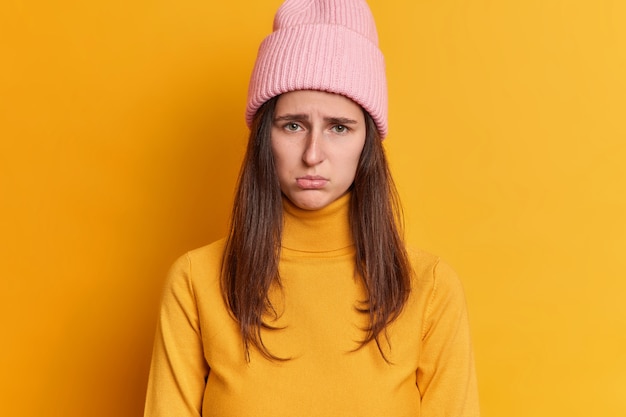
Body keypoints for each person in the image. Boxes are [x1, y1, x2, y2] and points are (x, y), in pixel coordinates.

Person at [143, 0, 480, 416]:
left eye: (339, 127)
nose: (313, 154)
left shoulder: (429, 289)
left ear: (367, 143)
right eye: (293, 125)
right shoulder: (196, 282)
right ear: (265, 136)